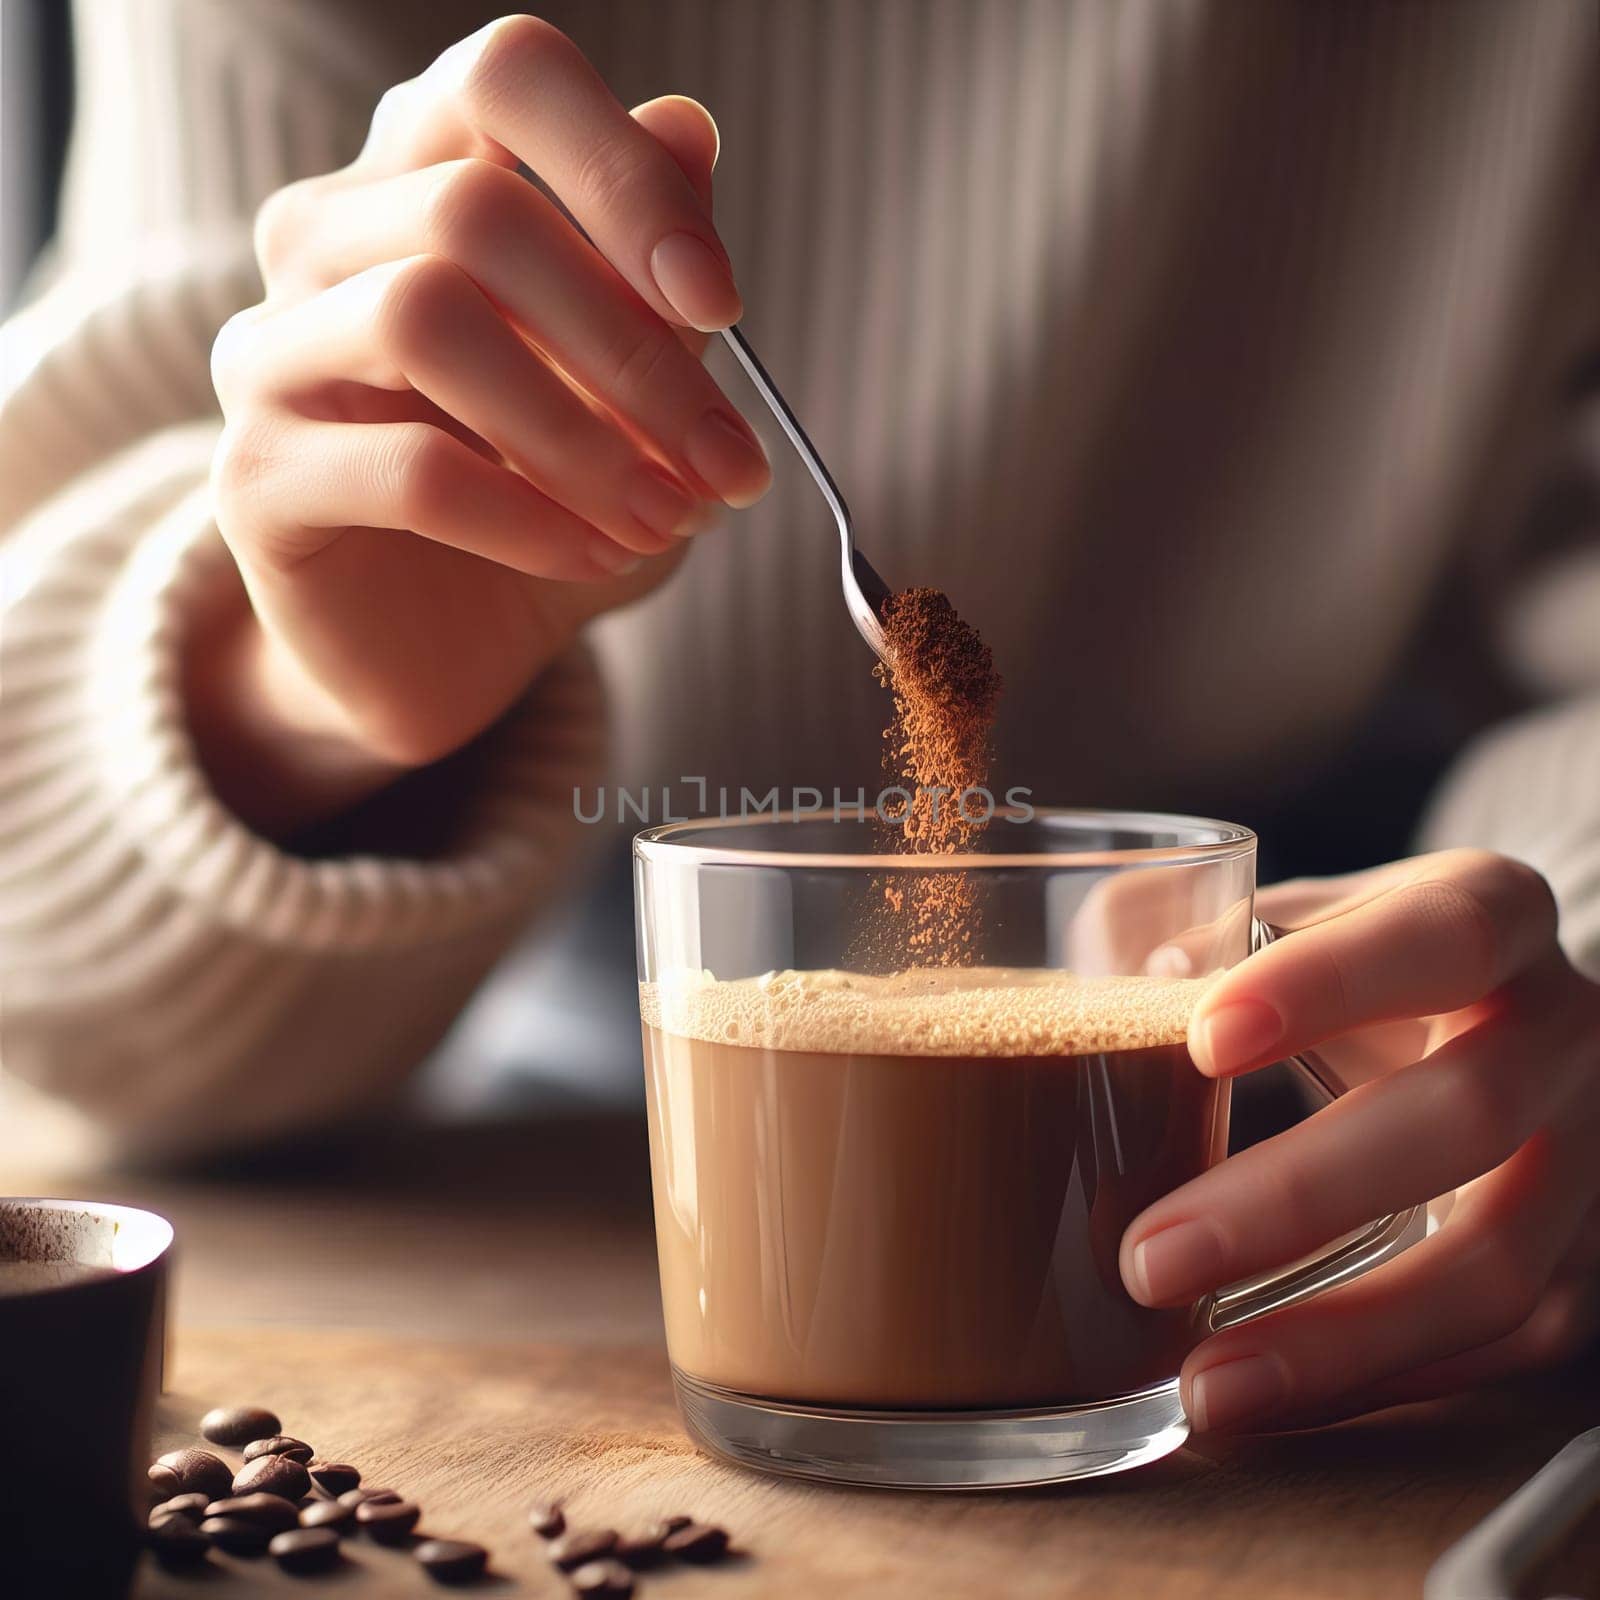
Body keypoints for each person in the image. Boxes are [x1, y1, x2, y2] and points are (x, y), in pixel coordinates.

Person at [2, 2, 1596, 1436]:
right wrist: (294, 704)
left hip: (1301, 1065)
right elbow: (52, 997)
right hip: (492, 1136)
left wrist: (1569, 980)